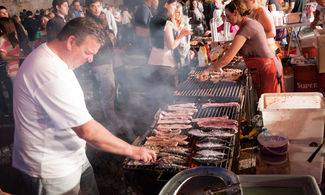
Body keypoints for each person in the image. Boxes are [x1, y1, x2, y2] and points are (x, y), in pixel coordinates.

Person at [12, 17, 156, 195]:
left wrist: (79, 143)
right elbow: (86, 130)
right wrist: (132, 150)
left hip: (73, 155)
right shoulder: (48, 71)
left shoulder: (58, 60)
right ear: (71, 41)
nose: (90, 59)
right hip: (52, 168)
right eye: (88, 52)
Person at [200, 0, 281, 97]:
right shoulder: (248, 24)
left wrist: (209, 70)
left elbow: (227, 58)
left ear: (236, 13)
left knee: (269, 105)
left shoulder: (246, 27)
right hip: (265, 68)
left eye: (228, 16)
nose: (226, 20)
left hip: (266, 70)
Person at [148, 0, 192, 108]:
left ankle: (158, 117)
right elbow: (171, 45)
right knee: (171, 96)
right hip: (166, 63)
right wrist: (181, 35)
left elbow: (151, 41)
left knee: (158, 94)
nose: (174, 8)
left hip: (153, 60)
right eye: (173, 5)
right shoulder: (167, 23)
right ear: (166, 4)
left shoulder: (153, 20)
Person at [0, 17, 25, 82]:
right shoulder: (2, 40)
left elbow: (18, 51)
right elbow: (4, 57)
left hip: (20, 67)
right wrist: (20, 57)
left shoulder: (13, 37)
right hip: (13, 70)